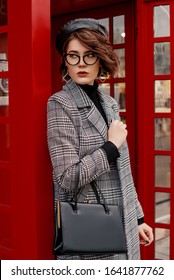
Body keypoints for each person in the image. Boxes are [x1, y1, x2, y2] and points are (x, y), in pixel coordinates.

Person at [47, 18, 153, 260]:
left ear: (101, 58)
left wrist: (137, 219)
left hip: (122, 223)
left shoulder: (109, 103)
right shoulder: (60, 104)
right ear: (65, 60)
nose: (81, 63)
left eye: (89, 55)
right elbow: (67, 178)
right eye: (73, 56)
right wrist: (110, 147)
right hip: (90, 233)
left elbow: (123, 173)